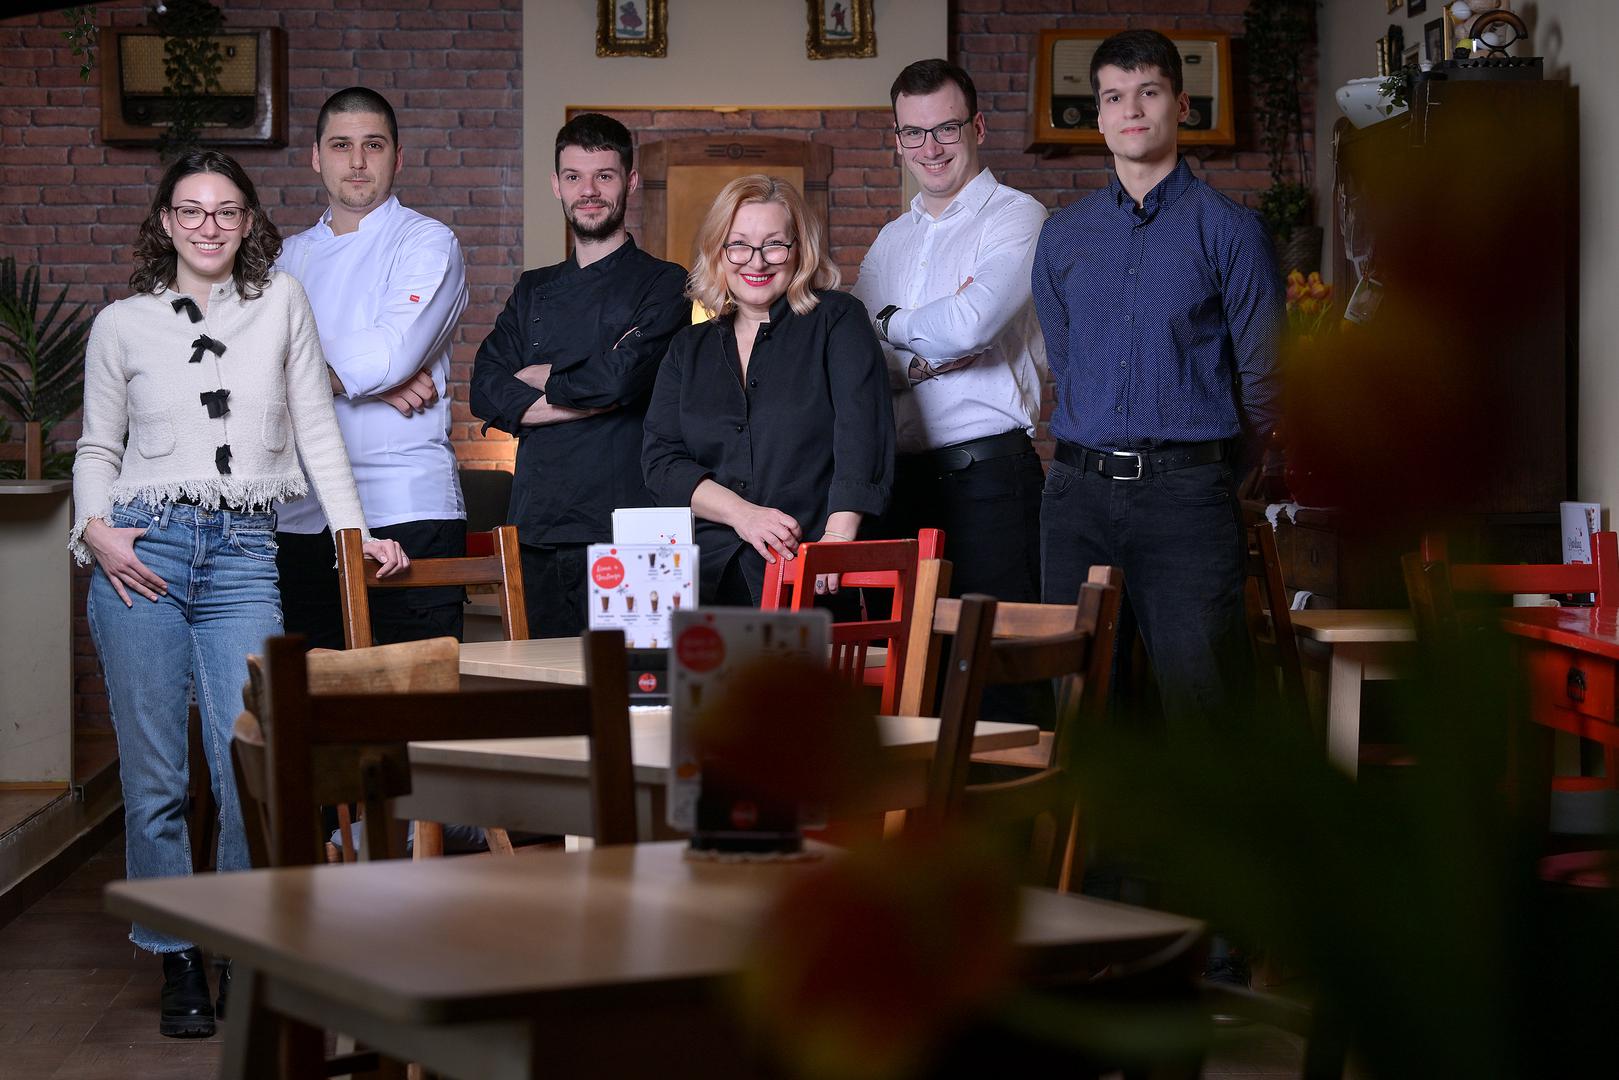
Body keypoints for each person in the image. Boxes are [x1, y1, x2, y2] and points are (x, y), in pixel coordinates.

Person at [71, 150, 407, 1038]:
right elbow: (97, 447)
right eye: (191, 210)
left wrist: (353, 535)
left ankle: (235, 944)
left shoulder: (281, 303)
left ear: (250, 221)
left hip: (244, 555)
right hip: (139, 548)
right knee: (156, 776)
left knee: (247, 761)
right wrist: (94, 529)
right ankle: (177, 952)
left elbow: (317, 429)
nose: (208, 226)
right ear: (166, 222)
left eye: (226, 210)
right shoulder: (121, 324)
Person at [1033, 28, 1282, 728]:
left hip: (1185, 499)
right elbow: (1067, 363)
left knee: (1205, 709)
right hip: (1076, 497)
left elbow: (1267, 381)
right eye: (1114, 96)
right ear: (1099, 115)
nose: (1131, 109)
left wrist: (1209, 476)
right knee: (1079, 710)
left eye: (1148, 91)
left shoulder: (1230, 231)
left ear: (1181, 104)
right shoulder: (1063, 236)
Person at [470, 113, 688, 636]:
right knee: (543, 680)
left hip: (637, 523)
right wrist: (597, 390)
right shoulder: (532, 289)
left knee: (644, 679)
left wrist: (542, 377)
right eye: (574, 177)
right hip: (538, 523)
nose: (588, 191)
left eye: (603, 176)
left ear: (630, 182)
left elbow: (621, 379)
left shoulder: (666, 282)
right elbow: (485, 387)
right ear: (557, 185)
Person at [274, 87, 470, 649]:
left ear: (397, 157)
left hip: (405, 503)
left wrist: (325, 373)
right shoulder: (284, 259)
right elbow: (245, 371)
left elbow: (391, 353)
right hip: (301, 512)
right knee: (310, 690)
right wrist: (370, 386)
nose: (357, 161)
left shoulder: (427, 242)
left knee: (415, 688)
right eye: (341, 145)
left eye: (373, 145)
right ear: (316, 157)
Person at [643, 174, 894, 605]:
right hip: (705, 578)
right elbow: (661, 462)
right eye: (739, 245)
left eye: (774, 245)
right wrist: (743, 515)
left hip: (813, 571)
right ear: (718, 252)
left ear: (800, 250)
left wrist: (837, 540)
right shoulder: (688, 348)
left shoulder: (838, 320)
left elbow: (862, 435)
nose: (756, 263)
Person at [852, 58, 1047, 604]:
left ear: (976, 128)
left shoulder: (1017, 217)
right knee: (902, 653)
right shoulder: (890, 239)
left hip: (989, 483)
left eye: (946, 128)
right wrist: (922, 359)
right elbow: (855, 355)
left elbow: (969, 326)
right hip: (898, 488)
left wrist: (889, 322)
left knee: (997, 652)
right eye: (914, 132)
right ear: (898, 139)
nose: (930, 148)